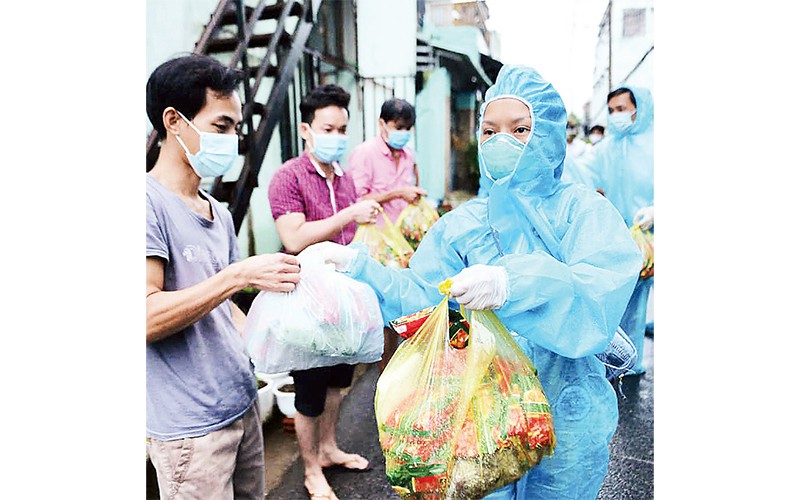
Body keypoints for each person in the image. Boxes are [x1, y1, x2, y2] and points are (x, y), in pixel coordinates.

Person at [309, 65, 642, 499]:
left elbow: (598, 292)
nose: (501, 141)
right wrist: (359, 267)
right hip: (481, 407)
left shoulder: (581, 212)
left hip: (567, 403)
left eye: (519, 129)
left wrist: (513, 285)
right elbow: (424, 297)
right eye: (489, 131)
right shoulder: (462, 225)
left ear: (547, 134)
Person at [145, 54, 302, 500]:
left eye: (236, 128)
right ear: (174, 121)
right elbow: (145, 316)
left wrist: (279, 340)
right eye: (221, 126)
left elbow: (224, 310)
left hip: (240, 403)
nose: (233, 139)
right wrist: (236, 275)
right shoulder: (146, 204)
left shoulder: (217, 212)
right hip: (190, 430)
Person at [267, 83, 379, 500]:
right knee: (310, 390)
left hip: (342, 302)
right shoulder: (288, 177)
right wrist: (350, 213)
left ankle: (329, 449)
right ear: (306, 130)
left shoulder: (345, 179)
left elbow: (347, 240)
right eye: (328, 128)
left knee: (336, 384)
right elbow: (294, 237)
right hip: (306, 305)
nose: (337, 137)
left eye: (343, 128)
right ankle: (311, 469)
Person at [573, 85, 654, 375]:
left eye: (622, 109)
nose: (616, 116)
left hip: (651, 234)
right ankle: (622, 358)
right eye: (612, 110)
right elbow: (584, 170)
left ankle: (632, 358)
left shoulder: (655, 143)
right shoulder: (608, 148)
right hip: (622, 235)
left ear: (639, 109)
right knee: (622, 299)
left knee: (638, 299)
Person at [348, 98, 428, 371]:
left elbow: (410, 186)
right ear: (382, 124)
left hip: (403, 245)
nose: (403, 133)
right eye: (398, 127)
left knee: (403, 306)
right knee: (381, 312)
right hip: (377, 245)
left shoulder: (410, 154)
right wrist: (396, 194)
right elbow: (357, 201)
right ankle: (384, 376)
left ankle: (401, 370)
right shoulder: (364, 153)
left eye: (408, 128)